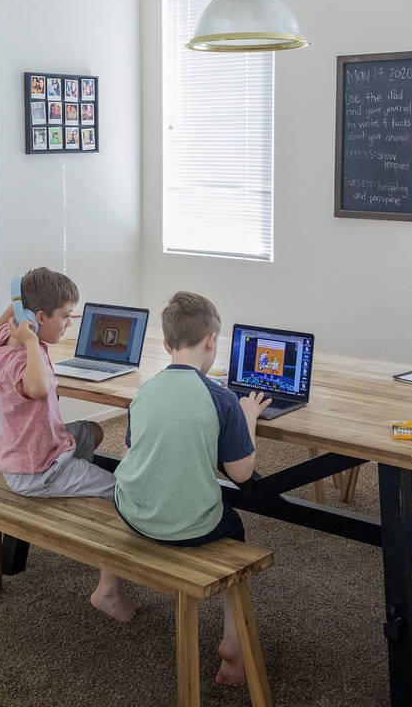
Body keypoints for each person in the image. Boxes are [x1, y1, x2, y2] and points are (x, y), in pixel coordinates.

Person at [113, 292, 269, 686]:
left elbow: (133, 450)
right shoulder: (223, 399)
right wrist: (247, 415)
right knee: (239, 532)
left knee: (133, 483)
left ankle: (108, 587)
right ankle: (233, 646)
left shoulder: (146, 390)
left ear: (166, 345)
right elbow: (241, 472)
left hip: (133, 514)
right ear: (212, 341)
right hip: (190, 529)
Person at [0, 266, 138, 621]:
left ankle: (81, 477)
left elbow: (12, 309)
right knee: (124, 493)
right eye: (66, 317)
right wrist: (31, 343)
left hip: (36, 447)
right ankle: (108, 592)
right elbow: (39, 389)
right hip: (39, 470)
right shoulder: (25, 357)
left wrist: (23, 312)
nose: (70, 324)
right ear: (39, 318)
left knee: (92, 431)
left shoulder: (2, 337)